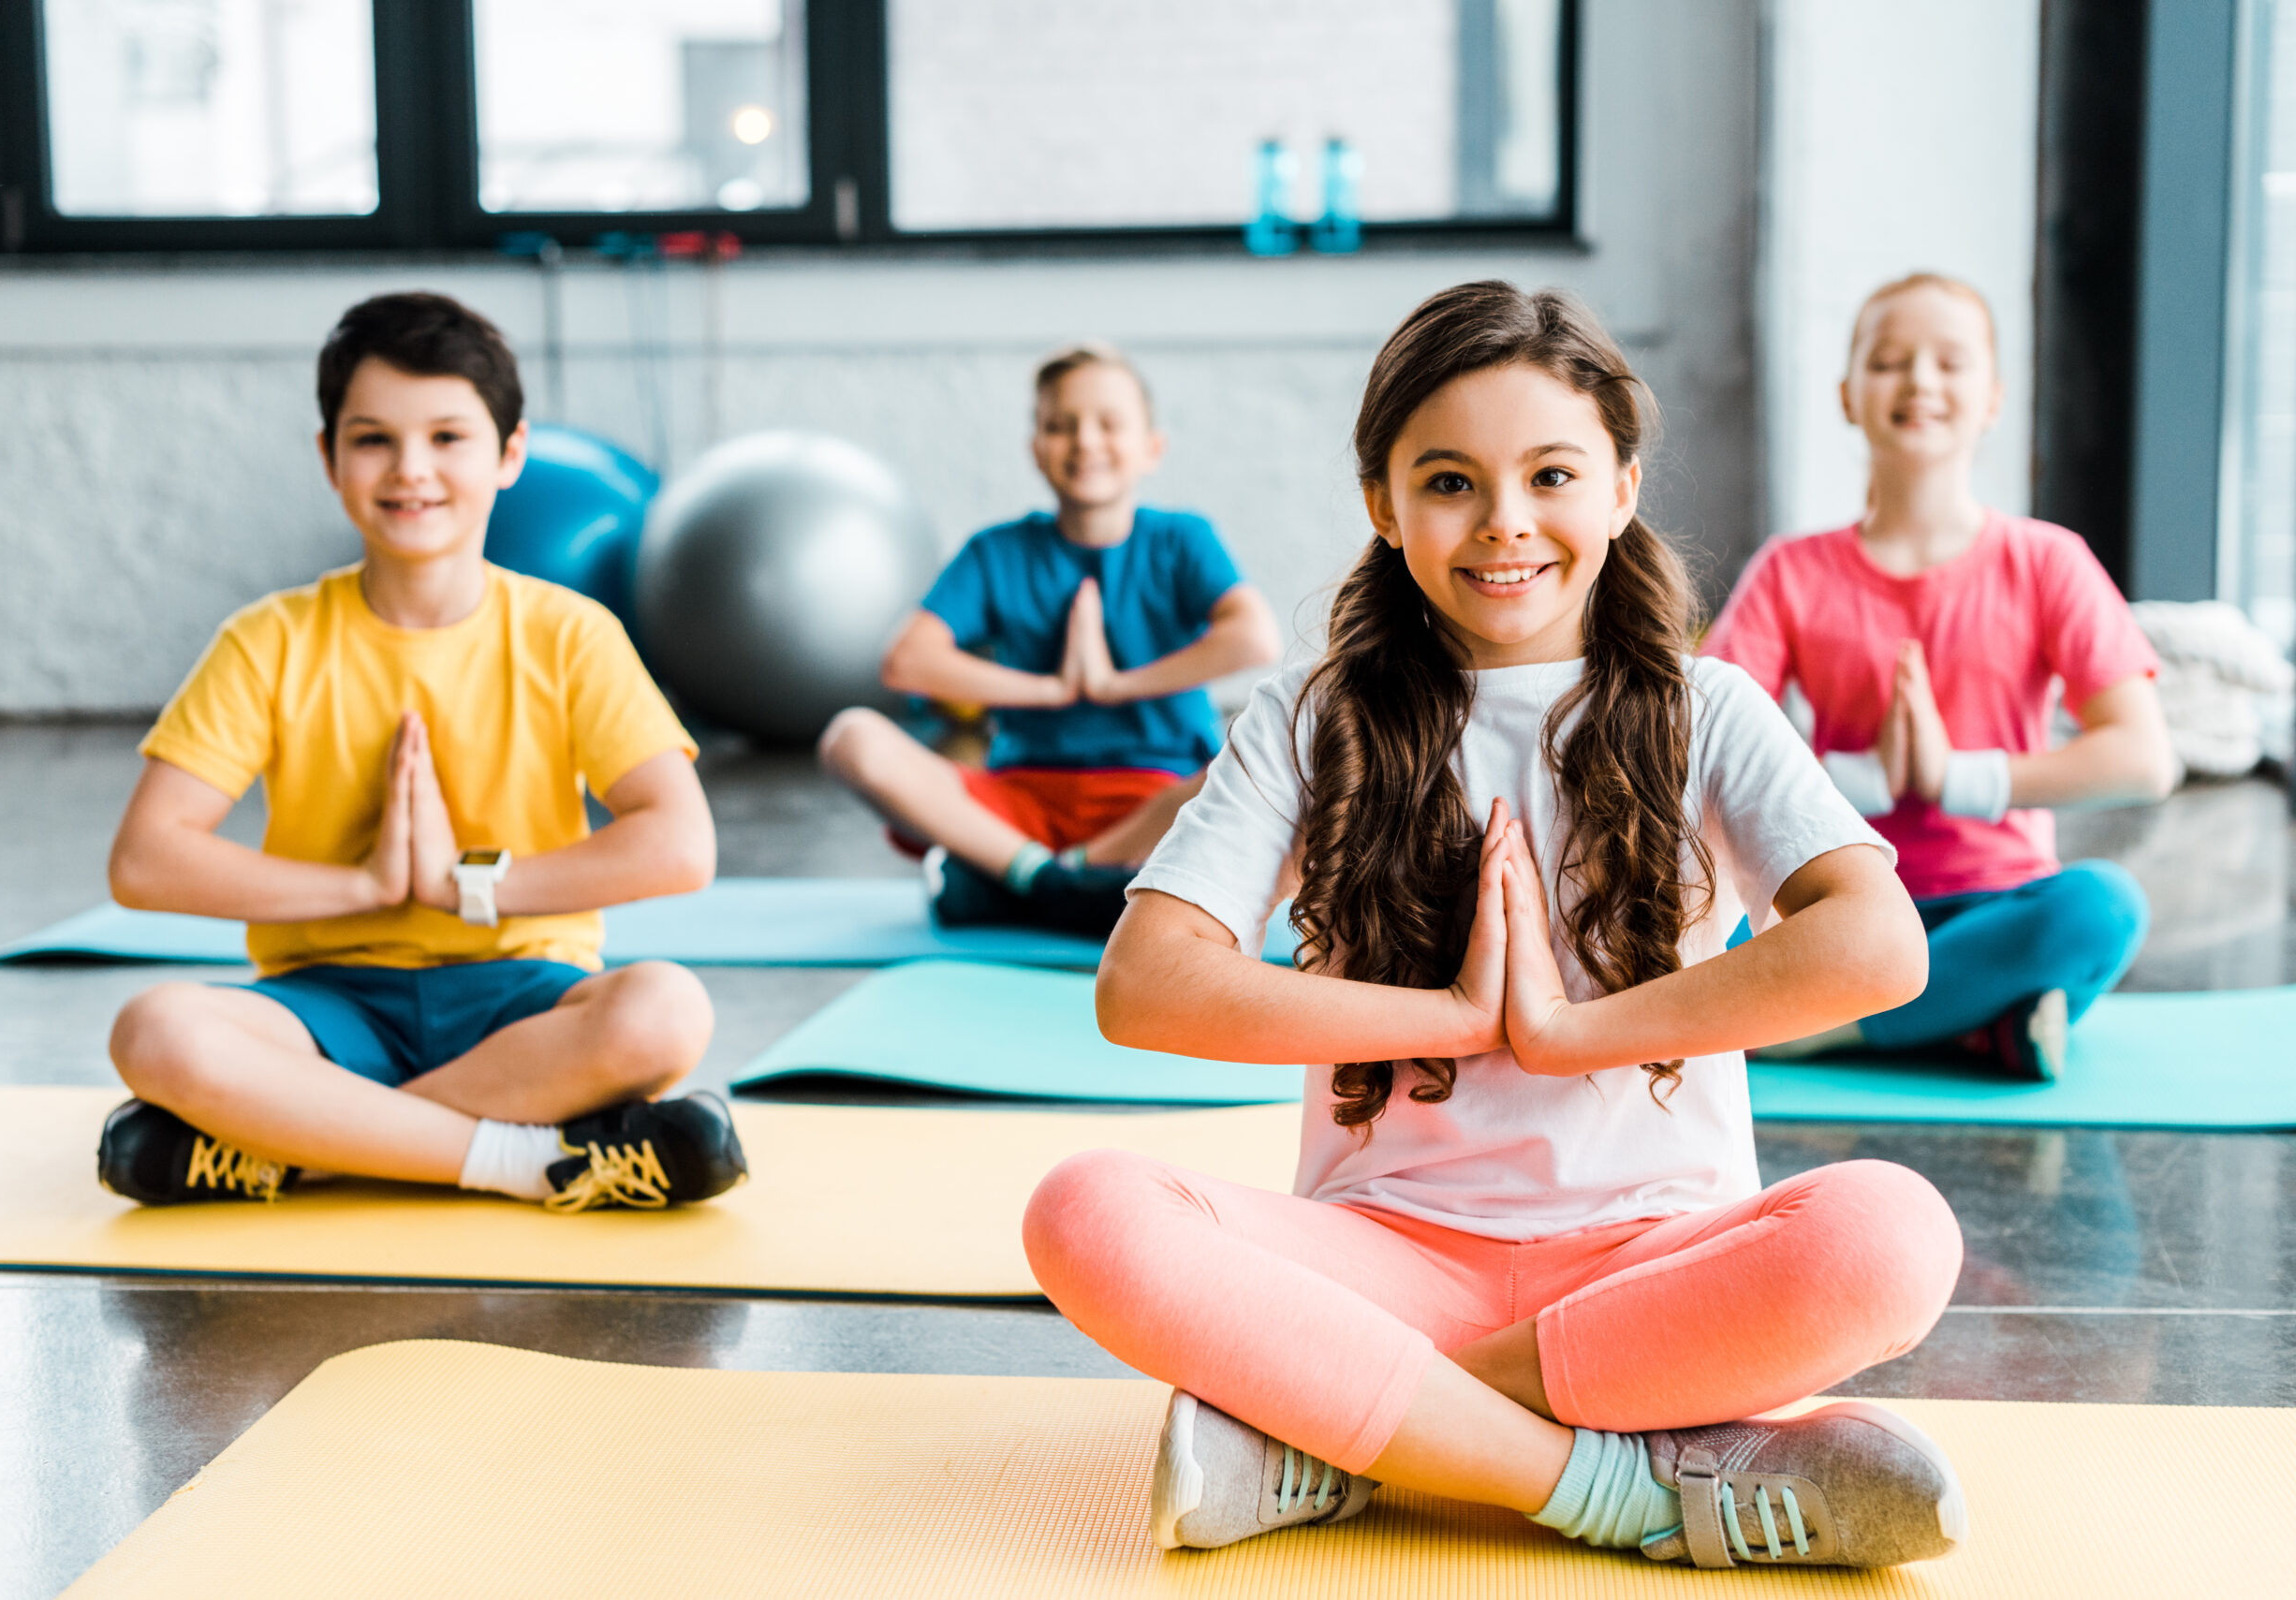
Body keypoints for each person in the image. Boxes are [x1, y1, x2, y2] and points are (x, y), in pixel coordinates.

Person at [1023, 282, 1968, 1570]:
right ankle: (1628, 1488)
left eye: (1553, 475)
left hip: (1652, 1264)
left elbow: (1878, 946)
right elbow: (1146, 987)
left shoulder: (1710, 707)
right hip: (1380, 1251)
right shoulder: (1309, 713)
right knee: (1086, 1210)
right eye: (1453, 481)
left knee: (1893, 1236)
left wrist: (1572, 1033)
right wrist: (1455, 1019)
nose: (1506, 523)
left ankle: (1352, 1424)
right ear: (1385, 505)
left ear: (1623, 487)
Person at [98, 292, 745, 1213]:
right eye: (373, 439)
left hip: (524, 1000)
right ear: (329, 458)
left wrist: (463, 886)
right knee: (157, 1031)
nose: (412, 470)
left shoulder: (570, 633)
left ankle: (305, 1146)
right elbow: (145, 858)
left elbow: (680, 845)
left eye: (448, 436)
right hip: (324, 1005)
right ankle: (532, 1160)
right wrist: (363, 887)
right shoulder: (268, 639)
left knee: (664, 1011)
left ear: (510, 453)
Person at [1706, 273, 2174, 1079]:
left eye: (1948, 363)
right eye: (1890, 361)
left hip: (2001, 903)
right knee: (1685, 939)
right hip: (1837, 906)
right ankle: (1982, 1024)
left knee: (2102, 909)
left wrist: (1957, 777)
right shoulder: (1791, 569)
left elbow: (2143, 757)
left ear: (1991, 398)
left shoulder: (2046, 561)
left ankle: (1832, 1024)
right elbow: (1694, 742)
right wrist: (1859, 783)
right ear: (1848, 395)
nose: (1920, 381)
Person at [817, 344, 1281, 935]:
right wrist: (1054, 689)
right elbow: (907, 661)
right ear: (1037, 449)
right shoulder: (997, 550)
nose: (1085, 441)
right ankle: (1054, 880)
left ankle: (1028, 880)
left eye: (1109, 424)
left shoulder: (1181, 540)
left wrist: (1114, 685)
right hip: (1021, 803)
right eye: (1061, 426)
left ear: (1151, 449)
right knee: (850, 738)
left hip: (1158, 802)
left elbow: (1254, 638)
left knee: (1274, 755)